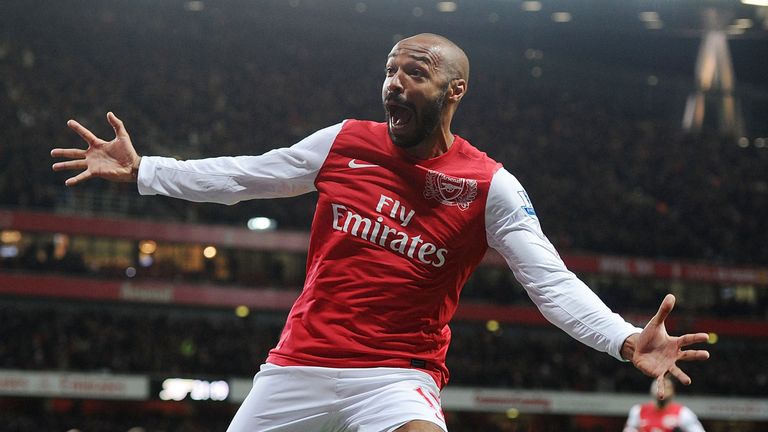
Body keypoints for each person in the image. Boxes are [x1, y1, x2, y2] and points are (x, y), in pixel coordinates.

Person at [52, 33, 710, 432]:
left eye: (414, 73)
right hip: (299, 364)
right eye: (390, 71)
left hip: (396, 375)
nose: (395, 83)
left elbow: (552, 286)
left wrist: (625, 339)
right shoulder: (344, 143)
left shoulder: (490, 187)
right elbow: (245, 177)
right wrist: (146, 171)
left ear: (453, 90)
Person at [624, 376, 706, 432]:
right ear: (650, 390)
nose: (661, 390)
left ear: (673, 392)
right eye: (657, 386)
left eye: (666, 387)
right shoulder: (638, 411)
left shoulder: (683, 413)